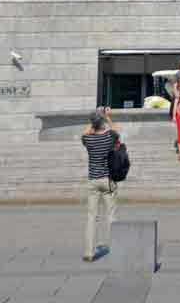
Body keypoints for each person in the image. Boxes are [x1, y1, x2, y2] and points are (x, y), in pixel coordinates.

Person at [82, 108, 118, 262]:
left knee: (91, 217)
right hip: (108, 179)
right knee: (111, 215)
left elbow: (85, 132)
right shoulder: (109, 137)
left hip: (93, 180)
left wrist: (95, 119)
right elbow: (116, 131)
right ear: (102, 122)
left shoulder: (88, 140)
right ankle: (115, 247)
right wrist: (107, 117)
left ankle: (89, 252)